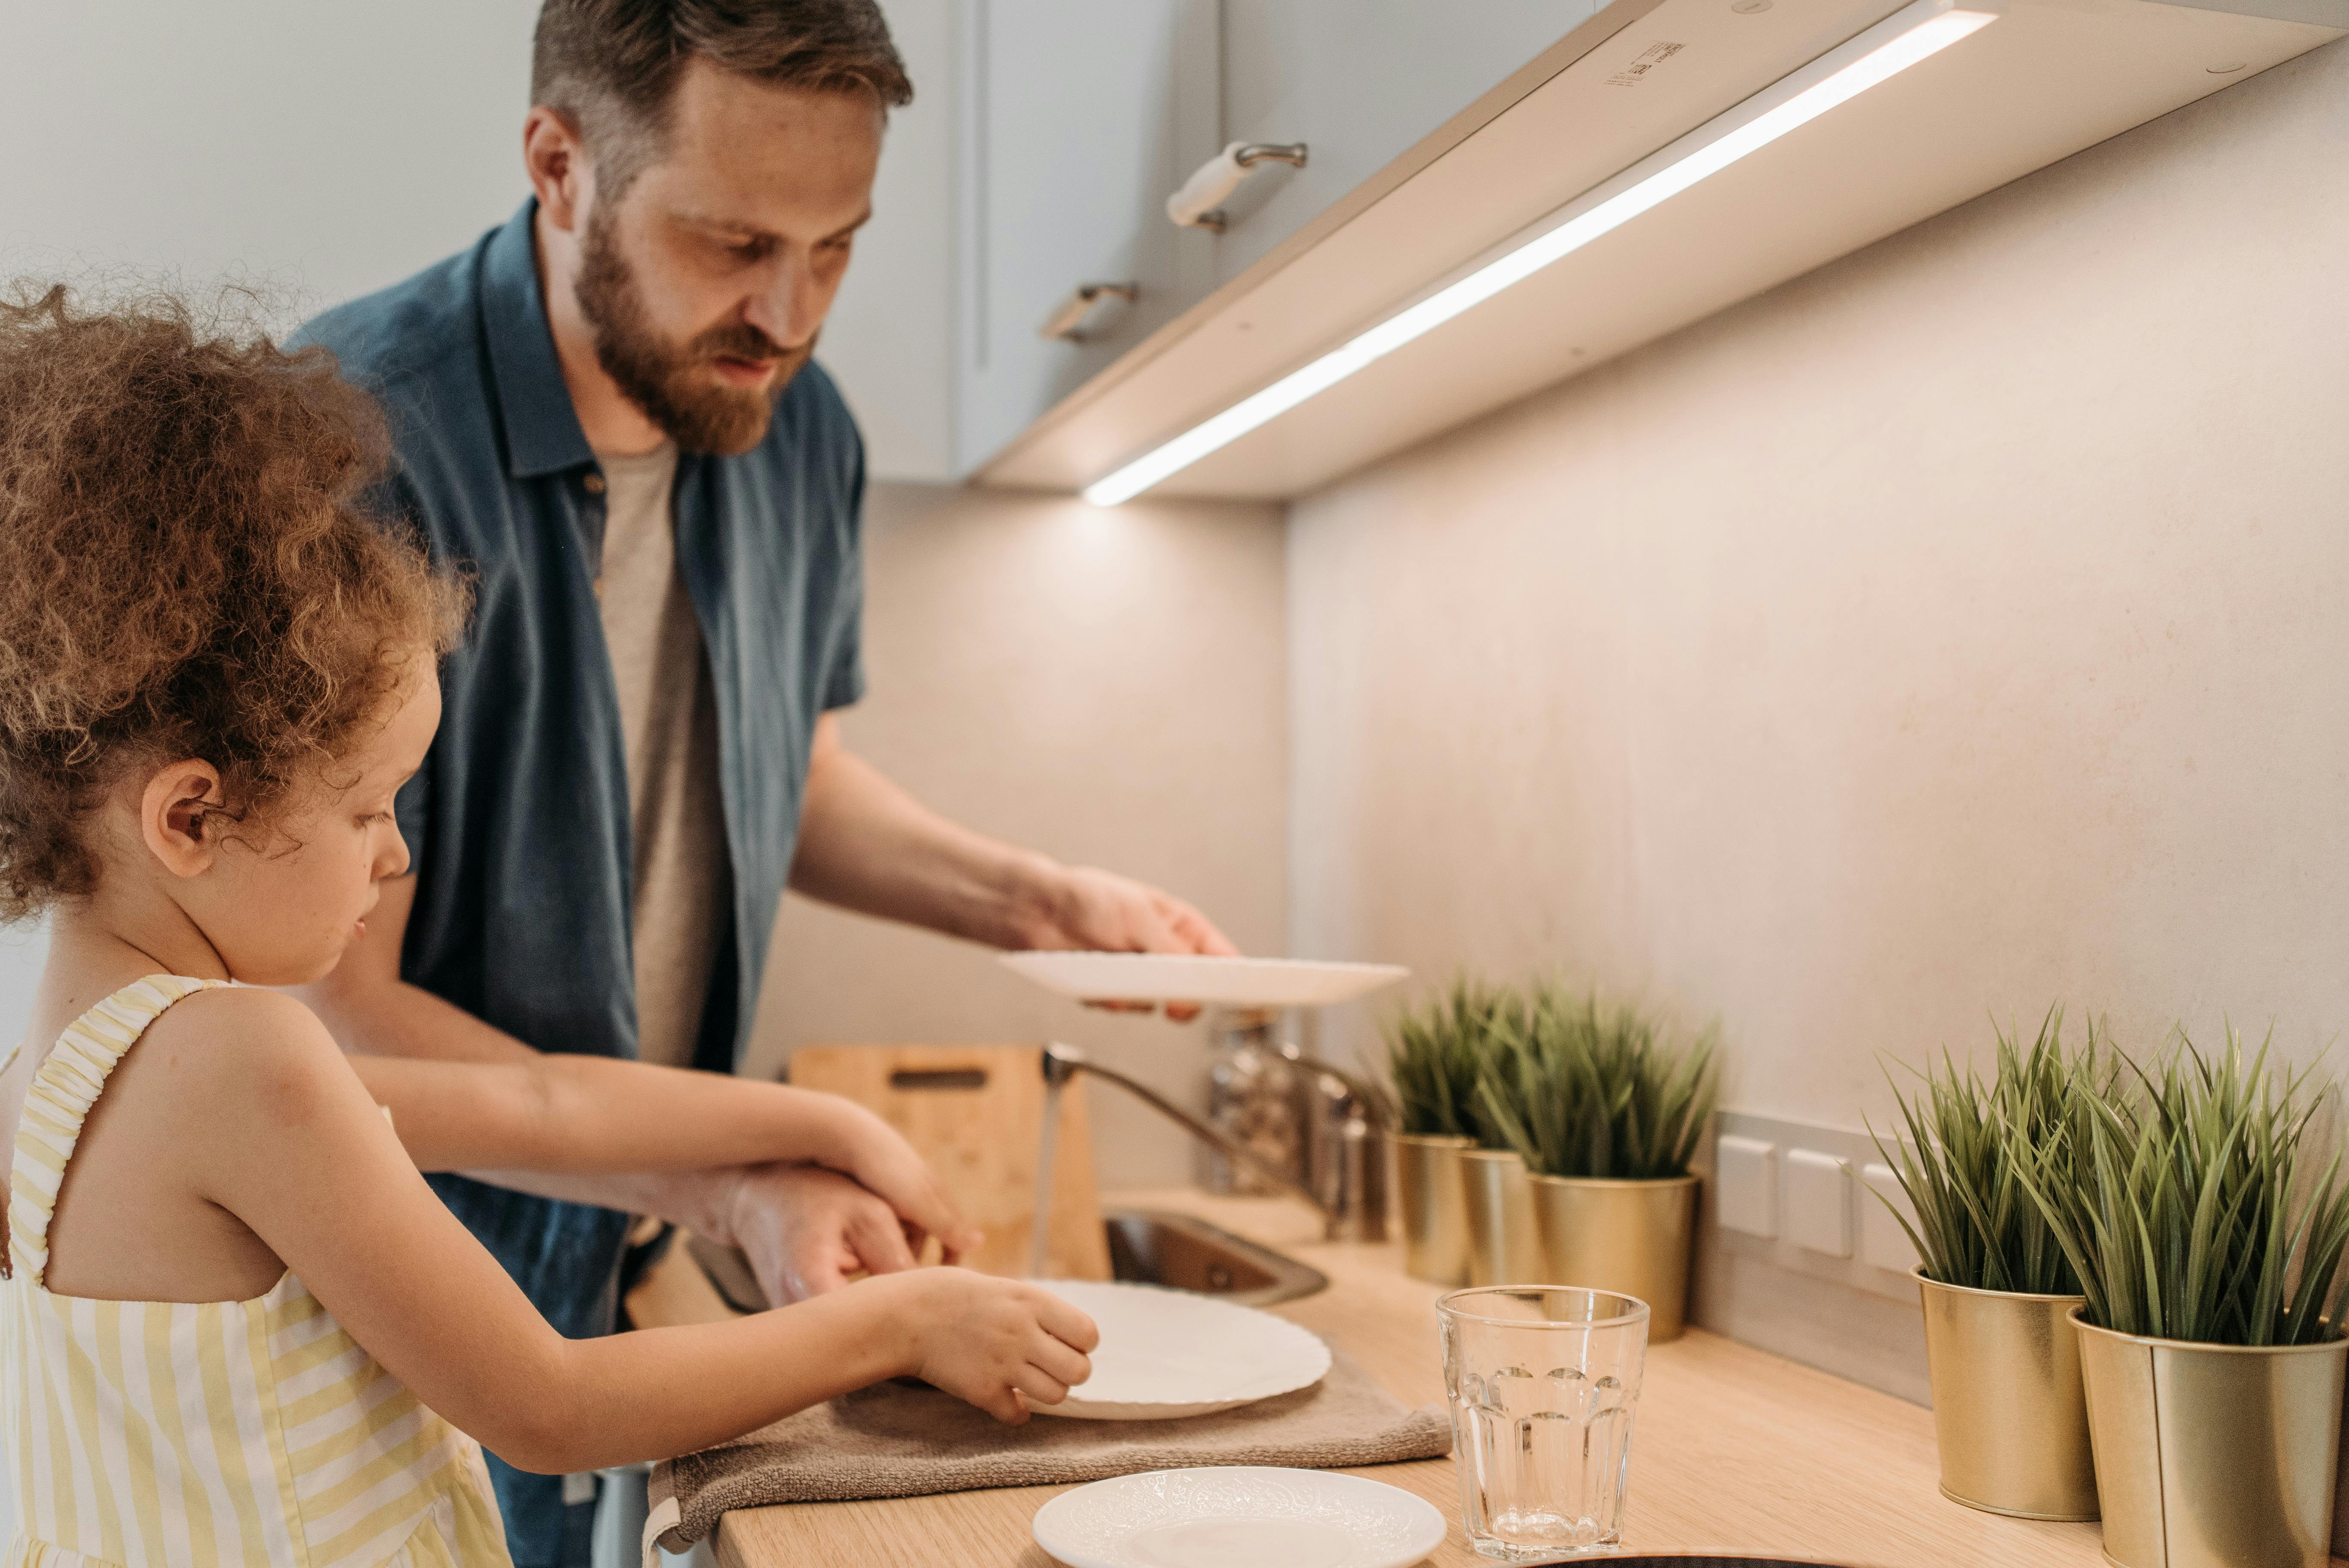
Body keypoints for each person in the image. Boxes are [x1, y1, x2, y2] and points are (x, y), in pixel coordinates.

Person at [288, 2, 1231, 1555]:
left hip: (624, 1263)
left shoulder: (796, 431)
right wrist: (733, 1177)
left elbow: (781, 778)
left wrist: (1033, 900)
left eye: (837, 248)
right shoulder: (355, 442)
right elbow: (340, 1020)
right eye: (734, 242)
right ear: (560, 164)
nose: (787, 314)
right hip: (401, 1304)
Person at [0, 283, 1097, 1568]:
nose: (397, 852)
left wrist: (825, 1126)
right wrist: (900, 1325)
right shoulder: (245, 1062)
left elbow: (539, 1109)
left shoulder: (52, 1081)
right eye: (367, 809)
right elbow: (551, 1406)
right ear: (191, 818)